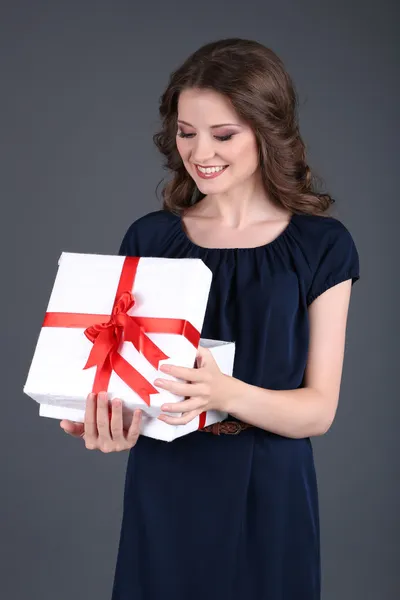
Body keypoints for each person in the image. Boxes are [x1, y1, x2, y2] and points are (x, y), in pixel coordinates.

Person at [60, 38, 360, 599]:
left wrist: (225, 391)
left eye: (223, 134)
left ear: (268, 131)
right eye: (186, 132)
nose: (200, 152)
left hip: (271, 485)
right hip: (166, 480)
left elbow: (318, 411)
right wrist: (110, 419)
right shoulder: (149, 237)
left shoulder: (323, 245)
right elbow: (131, 378)